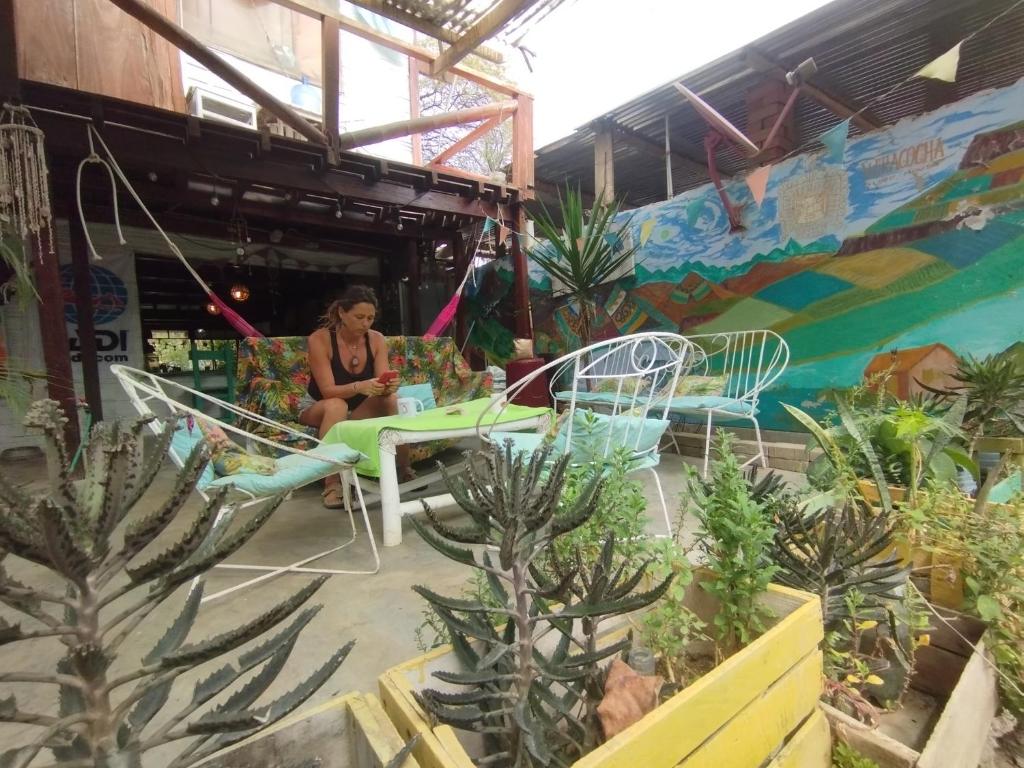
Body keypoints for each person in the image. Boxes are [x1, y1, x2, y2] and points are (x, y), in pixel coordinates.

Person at [299, 286, 410, 508]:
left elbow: (379, 382)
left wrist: (387, 386)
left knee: (392, 399)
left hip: (358, 409)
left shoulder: (376, 339)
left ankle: (402, 468)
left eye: (370, 318)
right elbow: (328, 390)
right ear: (342, 313)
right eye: (359, 317)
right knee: (336, 406)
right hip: (320, 406)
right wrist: (361, 386)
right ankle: (332, 482)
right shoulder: (320, 339)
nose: (366, 323)